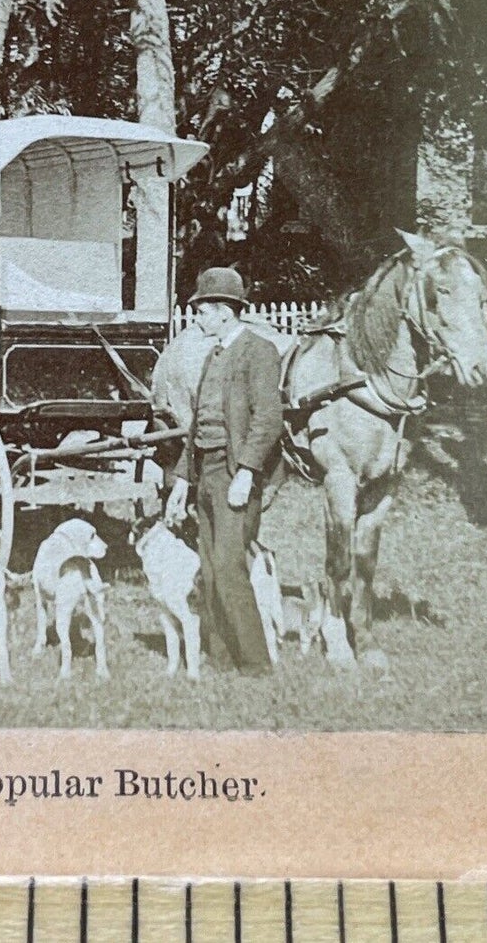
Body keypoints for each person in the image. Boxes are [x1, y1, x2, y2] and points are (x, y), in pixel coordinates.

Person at [164, 266, 283, 675]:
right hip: (205, 471)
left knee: (231, 565)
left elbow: (268, 418)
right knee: (211, 567)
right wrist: (181, 478)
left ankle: (256, 665)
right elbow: (197, 423)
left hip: (234, 475)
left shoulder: (259, 352)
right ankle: (221, 658)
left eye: (203, 310)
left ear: (225, 312)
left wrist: (247, 472)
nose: (197, 318)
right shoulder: (213, 355)